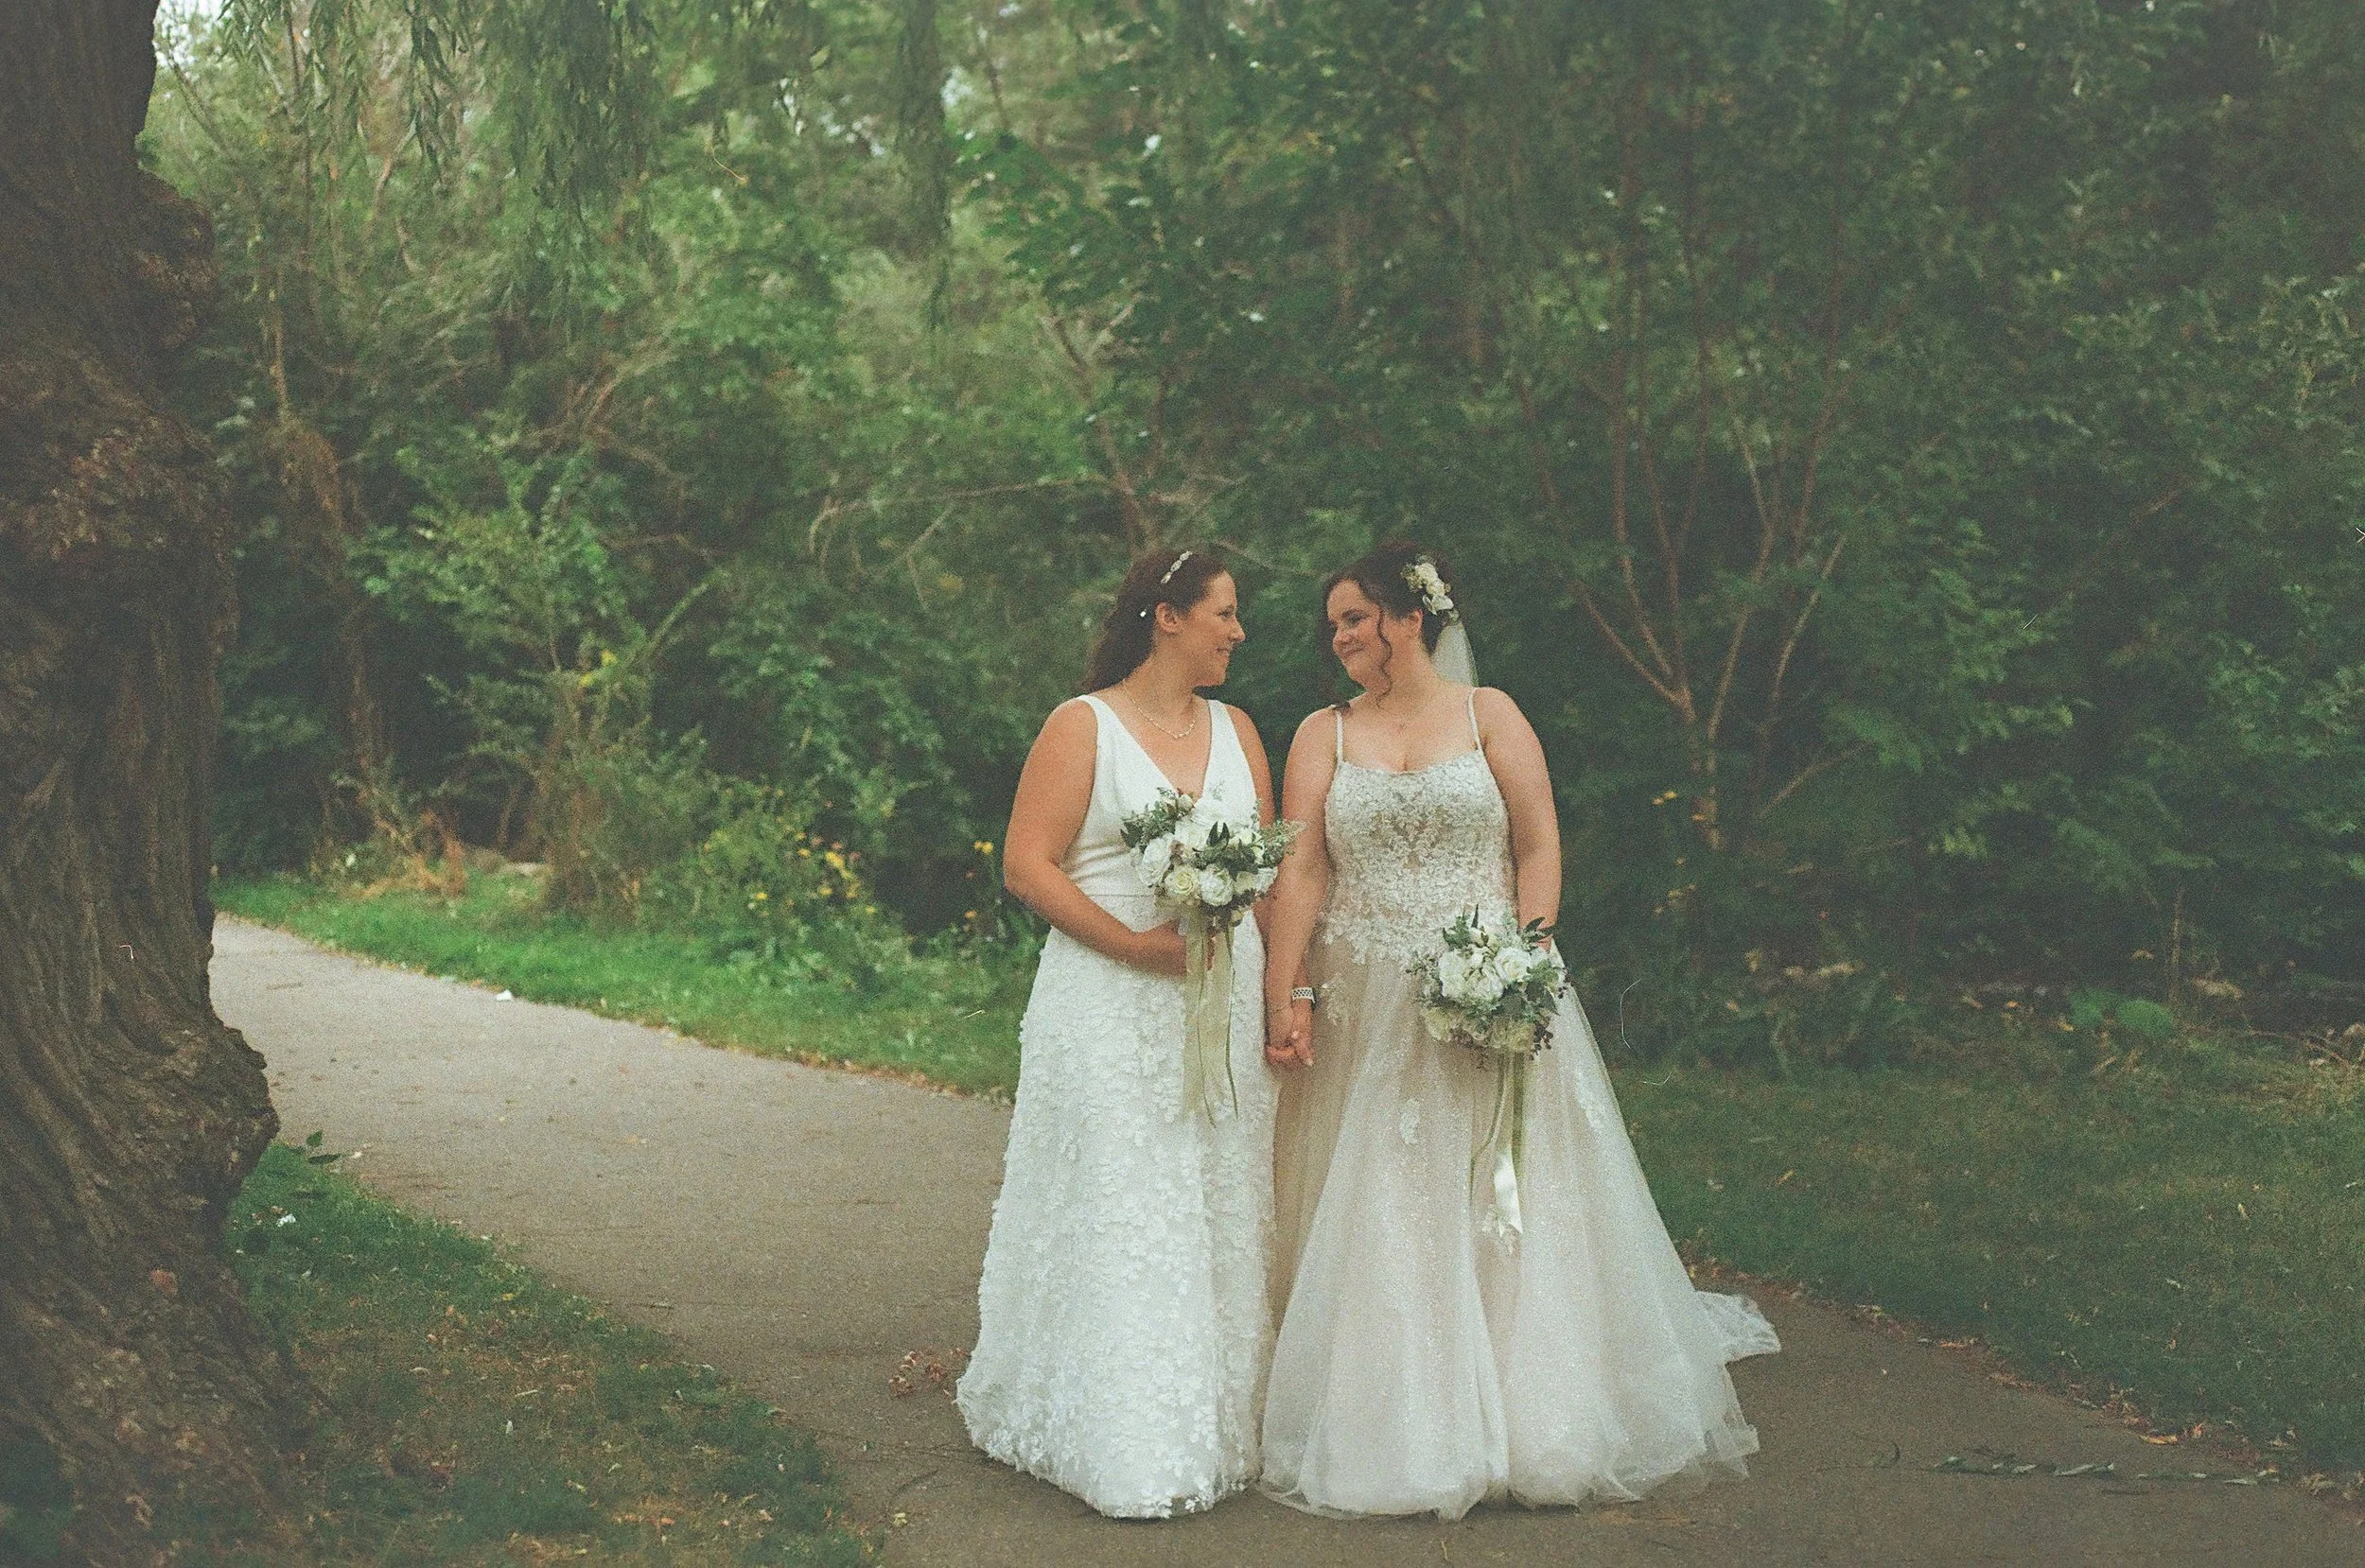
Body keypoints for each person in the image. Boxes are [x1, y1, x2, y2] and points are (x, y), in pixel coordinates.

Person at [1257, 541, 1779, 1520]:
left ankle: (1537, 1416)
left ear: (1411, 617)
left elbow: (1536, 842)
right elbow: (1305, 871)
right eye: (1332, 626)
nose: (1339, 639)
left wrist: (1522, 963)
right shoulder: (1320, 734)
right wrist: (1284, 989)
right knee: (1387, 1197)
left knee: (1509, 1193)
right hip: (1366, 996)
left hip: (1488, 987)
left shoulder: (1487, 714)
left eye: (1355, 619)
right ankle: (1404, 1423)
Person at [955, 546, 1284, 1518]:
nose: (1237, 630)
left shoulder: (1239, 729)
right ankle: (1121, 1425)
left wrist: (1272, 999)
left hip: (1218, 996)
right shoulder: (1082, 725)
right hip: (1105, 999)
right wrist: (1134, 946)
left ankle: (1226, 1415)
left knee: (1220, 1197)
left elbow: (1259, 874)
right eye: (1222, 612)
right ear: (1166, 616)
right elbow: (1028, 865)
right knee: (1123, 1199)